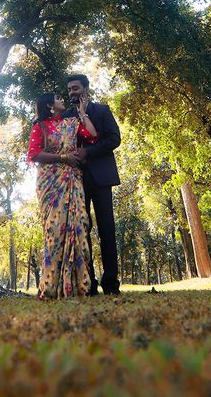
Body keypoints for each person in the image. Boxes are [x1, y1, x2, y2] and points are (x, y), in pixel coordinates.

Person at [26, 92, 99, 299]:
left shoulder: (71, 123)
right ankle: (50, 287)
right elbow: (34, 154)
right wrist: (64, 157)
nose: (61, 100)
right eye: (57, 98)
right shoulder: (40, 127)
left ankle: (79, 287)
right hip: (51, 182)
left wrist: (83, 114)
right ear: (50, 105)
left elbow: (93, 136)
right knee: (55, 230)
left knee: (79, 226)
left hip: (73, 180)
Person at [64, 74, 122, 296]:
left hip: (102, 177)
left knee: (107, 230)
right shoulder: (66, 116)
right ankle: (88, 284)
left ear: (86, 88)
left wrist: (88, 151)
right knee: (81, 231)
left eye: (75, 88)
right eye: (69, 89)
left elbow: (114, 139)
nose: (72, 92)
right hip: (75, 180)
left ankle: (111, 284)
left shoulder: (102, 110)